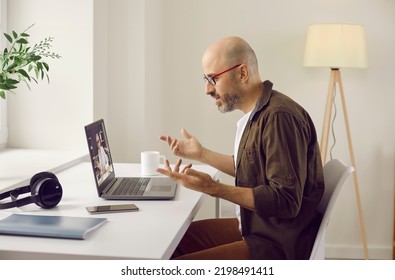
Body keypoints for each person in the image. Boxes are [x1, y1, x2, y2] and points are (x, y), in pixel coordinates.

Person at [157, 36, 325, 260]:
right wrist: (201, 154)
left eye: (213, 78)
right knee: (172, 242)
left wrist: (215, 189)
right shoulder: (258, 114)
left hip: (277, 244)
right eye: (205, 79)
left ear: (242, 73)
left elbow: (286, 201)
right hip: (257, 225)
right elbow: (251, 169)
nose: (208, 89)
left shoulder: (278, 117)